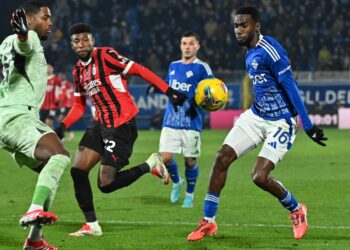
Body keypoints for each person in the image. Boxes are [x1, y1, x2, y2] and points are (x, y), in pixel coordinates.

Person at [187, 6, 327, 241]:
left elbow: (290, 86)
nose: (239, 30)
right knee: (221, 158)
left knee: (259, 177)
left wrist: (308, 124)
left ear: (256, 26)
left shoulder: (270, 51)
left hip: (281, 122)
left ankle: (296, 209)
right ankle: (208, 221)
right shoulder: (249, 52)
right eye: (236, 26)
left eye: (244, 25)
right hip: (256, 116)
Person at [54, 23, 186, 237]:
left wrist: (168, 90)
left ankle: (151, 163)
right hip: (100, 124)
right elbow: (79, 106)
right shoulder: (77, 71)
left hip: (122, 125)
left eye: (86, 39)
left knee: (105, 184)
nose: (82, 44)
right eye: (77, 41)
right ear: (71, 45)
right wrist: (62, 126)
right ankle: (92, 225)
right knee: (77, 170)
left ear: (92, 40)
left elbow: (138, 69)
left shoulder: (106, 55)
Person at [0, 2, 71, 250]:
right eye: (45, 17)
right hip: (19, 117)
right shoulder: (28, 37)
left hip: (8, 118)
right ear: (30, 20)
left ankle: (35, 240)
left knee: (49, 171)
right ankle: (33, 210)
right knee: (60, 155)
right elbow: (24, 46)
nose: (50, 22)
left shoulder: (3, 45)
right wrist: (22, 34)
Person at [148, 31, 214, 208]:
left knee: (190, 161)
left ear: (197, 46)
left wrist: (196, 103)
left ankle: (189, 195)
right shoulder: (173, 66)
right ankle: (177, 182)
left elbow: (212, 91)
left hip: (191, 123)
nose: (187, 47)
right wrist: (156, 87)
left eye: (191, 43)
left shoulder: (203, 68)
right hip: (171, 121)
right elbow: (168, 85)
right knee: (166, 157)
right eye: (184, 43)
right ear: (180, 46)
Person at [40, 64, 62, 128]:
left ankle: (54, 136)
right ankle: (53, 135)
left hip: (53, 105)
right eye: (47, 68)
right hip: (43, 106)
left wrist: (58, 100)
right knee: (43, 123)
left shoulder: (56, 79)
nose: (48, 69)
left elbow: (59, 90)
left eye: (49, 68)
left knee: (49, 121)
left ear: (52, 69)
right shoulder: (42, 79)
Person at [57, 72, 75, 141]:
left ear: (62, 77)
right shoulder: (68, 84)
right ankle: (68, 134)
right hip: (68, 104)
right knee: (62, 120)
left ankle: (64, 136)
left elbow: (63, 95)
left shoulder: (65, 84)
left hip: (66, 105)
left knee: (61, 119)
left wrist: (59, 103)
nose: (58, 78)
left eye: (59, 77)